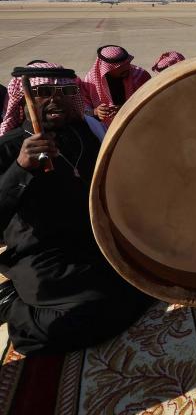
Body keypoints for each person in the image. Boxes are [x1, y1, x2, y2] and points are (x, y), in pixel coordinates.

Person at [0, 64, 153, 354]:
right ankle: (15, 309)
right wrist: (20, 169)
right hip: (42, 254)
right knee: (87, 313)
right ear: (25, 99)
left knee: (148, 280)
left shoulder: (83, 134)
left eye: (65, 92)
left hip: (91, 238)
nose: (55, 99)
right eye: (44, 92)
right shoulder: (8, 148)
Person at [79, 45, 151, 127]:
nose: (127, 67)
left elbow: (153, 102)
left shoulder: (140, 75)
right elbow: (82, 111)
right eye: (120, 66)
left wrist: (125, 109)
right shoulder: (90, 82)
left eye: (127, 62)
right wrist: (95, 112)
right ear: (107, 68)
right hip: (107, 131)